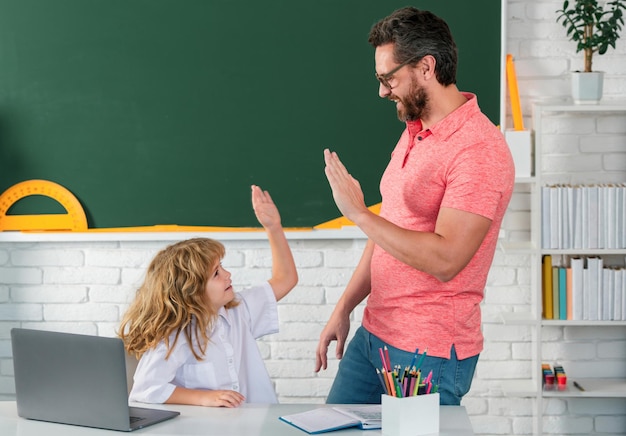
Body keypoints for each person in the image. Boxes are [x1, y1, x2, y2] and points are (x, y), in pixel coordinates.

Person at [315, 7, 515, 406]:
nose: (383, 91)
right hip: (375, 336)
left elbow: (446, 259)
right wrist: (344, 307)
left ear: (426, 67)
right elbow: (390, 228)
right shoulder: (415, 132)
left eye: (388, 78)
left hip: (427, 352)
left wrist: (358, 213)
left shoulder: (479, 150)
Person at [119, 185, 298, 408]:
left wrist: (274, 228)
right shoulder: (175, 335)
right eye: (216, 273)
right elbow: (144, 390)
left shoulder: (239, 310)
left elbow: (286, 279)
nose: (228, 275)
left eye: (221, 267)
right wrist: (203, 397)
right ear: (191, 290)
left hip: (258, 422)